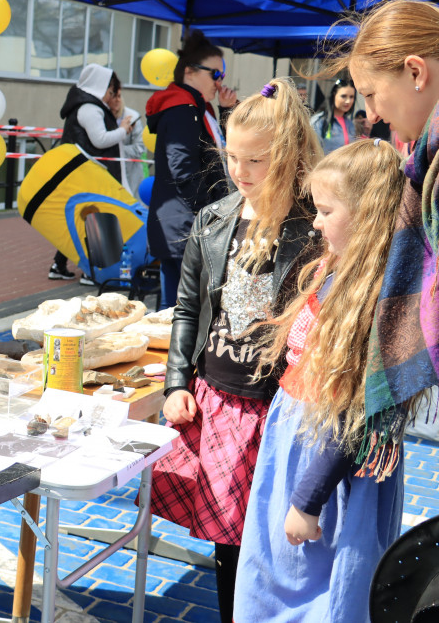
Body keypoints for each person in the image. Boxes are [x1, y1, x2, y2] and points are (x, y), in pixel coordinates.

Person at [147, 79, 322, 623]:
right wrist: (177, 382)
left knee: (271, 539)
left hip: (274, 407)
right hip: (217, 401)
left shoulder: (315, 226)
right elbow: (187, 309)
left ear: (289, 156)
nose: (240, 171)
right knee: (228, 544)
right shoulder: (214, 218)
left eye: (256, 160)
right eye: (232, 156)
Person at [233, 139, 407, 621]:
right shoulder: (342, 272)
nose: (314, 221)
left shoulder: (372, 301)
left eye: (326, 210)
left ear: (368, 217)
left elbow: (349, 414)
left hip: (325, 465)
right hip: (301, 441)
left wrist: (308, 501)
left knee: (318, 598)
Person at [145, 30, 238, 310]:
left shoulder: (198, 107)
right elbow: (183, 168)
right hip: (184, 224)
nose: (220, 82)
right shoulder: (181, 108)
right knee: (180, 310)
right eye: (215, 75)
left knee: (182, 309)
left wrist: (227, 111)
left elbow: (229, 150)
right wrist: (210, 214)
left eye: (222, 75)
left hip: (187, 222)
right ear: (190, 72)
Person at [48, 63, 136, 283]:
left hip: (83, 170)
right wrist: (123, 130)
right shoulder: (90, 108)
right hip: (89, 172)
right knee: (93, 220)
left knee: (85, 219)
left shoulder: (86, 106)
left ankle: (60, 265)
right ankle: (91, 271)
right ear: (100, 87)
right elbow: (100, 139)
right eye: (110, 91)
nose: (111, 96)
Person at [109, 84, 148, 198]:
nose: (117, 100)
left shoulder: (132, 118)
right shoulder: (101, 117)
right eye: (113, 96)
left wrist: (117, 150)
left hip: (132, 174)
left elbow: (140, 148)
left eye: (119, 96)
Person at [311, 78, 357, 154]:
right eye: (343, 96)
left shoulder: (350, 124)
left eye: (351, 97)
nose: (348, 101)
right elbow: (311, 152)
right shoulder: (319, 121)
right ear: (334, 95)